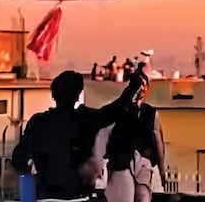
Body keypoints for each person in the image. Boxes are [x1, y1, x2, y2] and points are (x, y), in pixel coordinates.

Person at [12, 70, 144, 202]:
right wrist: (133, 87)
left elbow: (18, 158)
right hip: (80, 196)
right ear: (78, 94)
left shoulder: (38, 123)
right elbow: (113, 111)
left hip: (46, 197)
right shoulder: (85, 120)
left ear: (53, 94)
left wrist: (31, 163)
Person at [104, 75, 165, 202]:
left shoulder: (145, 112)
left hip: (131, 163)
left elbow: (158, 142)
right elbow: (159, 144)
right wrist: (162, 170)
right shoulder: (148, 113)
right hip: (132, 162)